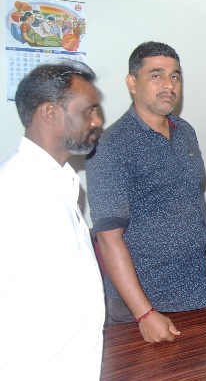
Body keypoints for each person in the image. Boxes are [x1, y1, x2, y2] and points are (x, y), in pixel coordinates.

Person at [85, 42, 206, 342]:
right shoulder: (111, 146)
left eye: (175, 76)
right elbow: (109, 239)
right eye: (156, 75)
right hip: (141, 308)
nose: (169, 84)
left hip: (195, 293)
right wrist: (144, 313)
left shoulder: (185, 131)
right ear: (132, 83)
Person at [0, 61, 105, 379]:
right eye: (89, 111)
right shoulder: (14, 192)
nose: (98, 121)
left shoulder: (61, 183)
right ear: (49, 113)